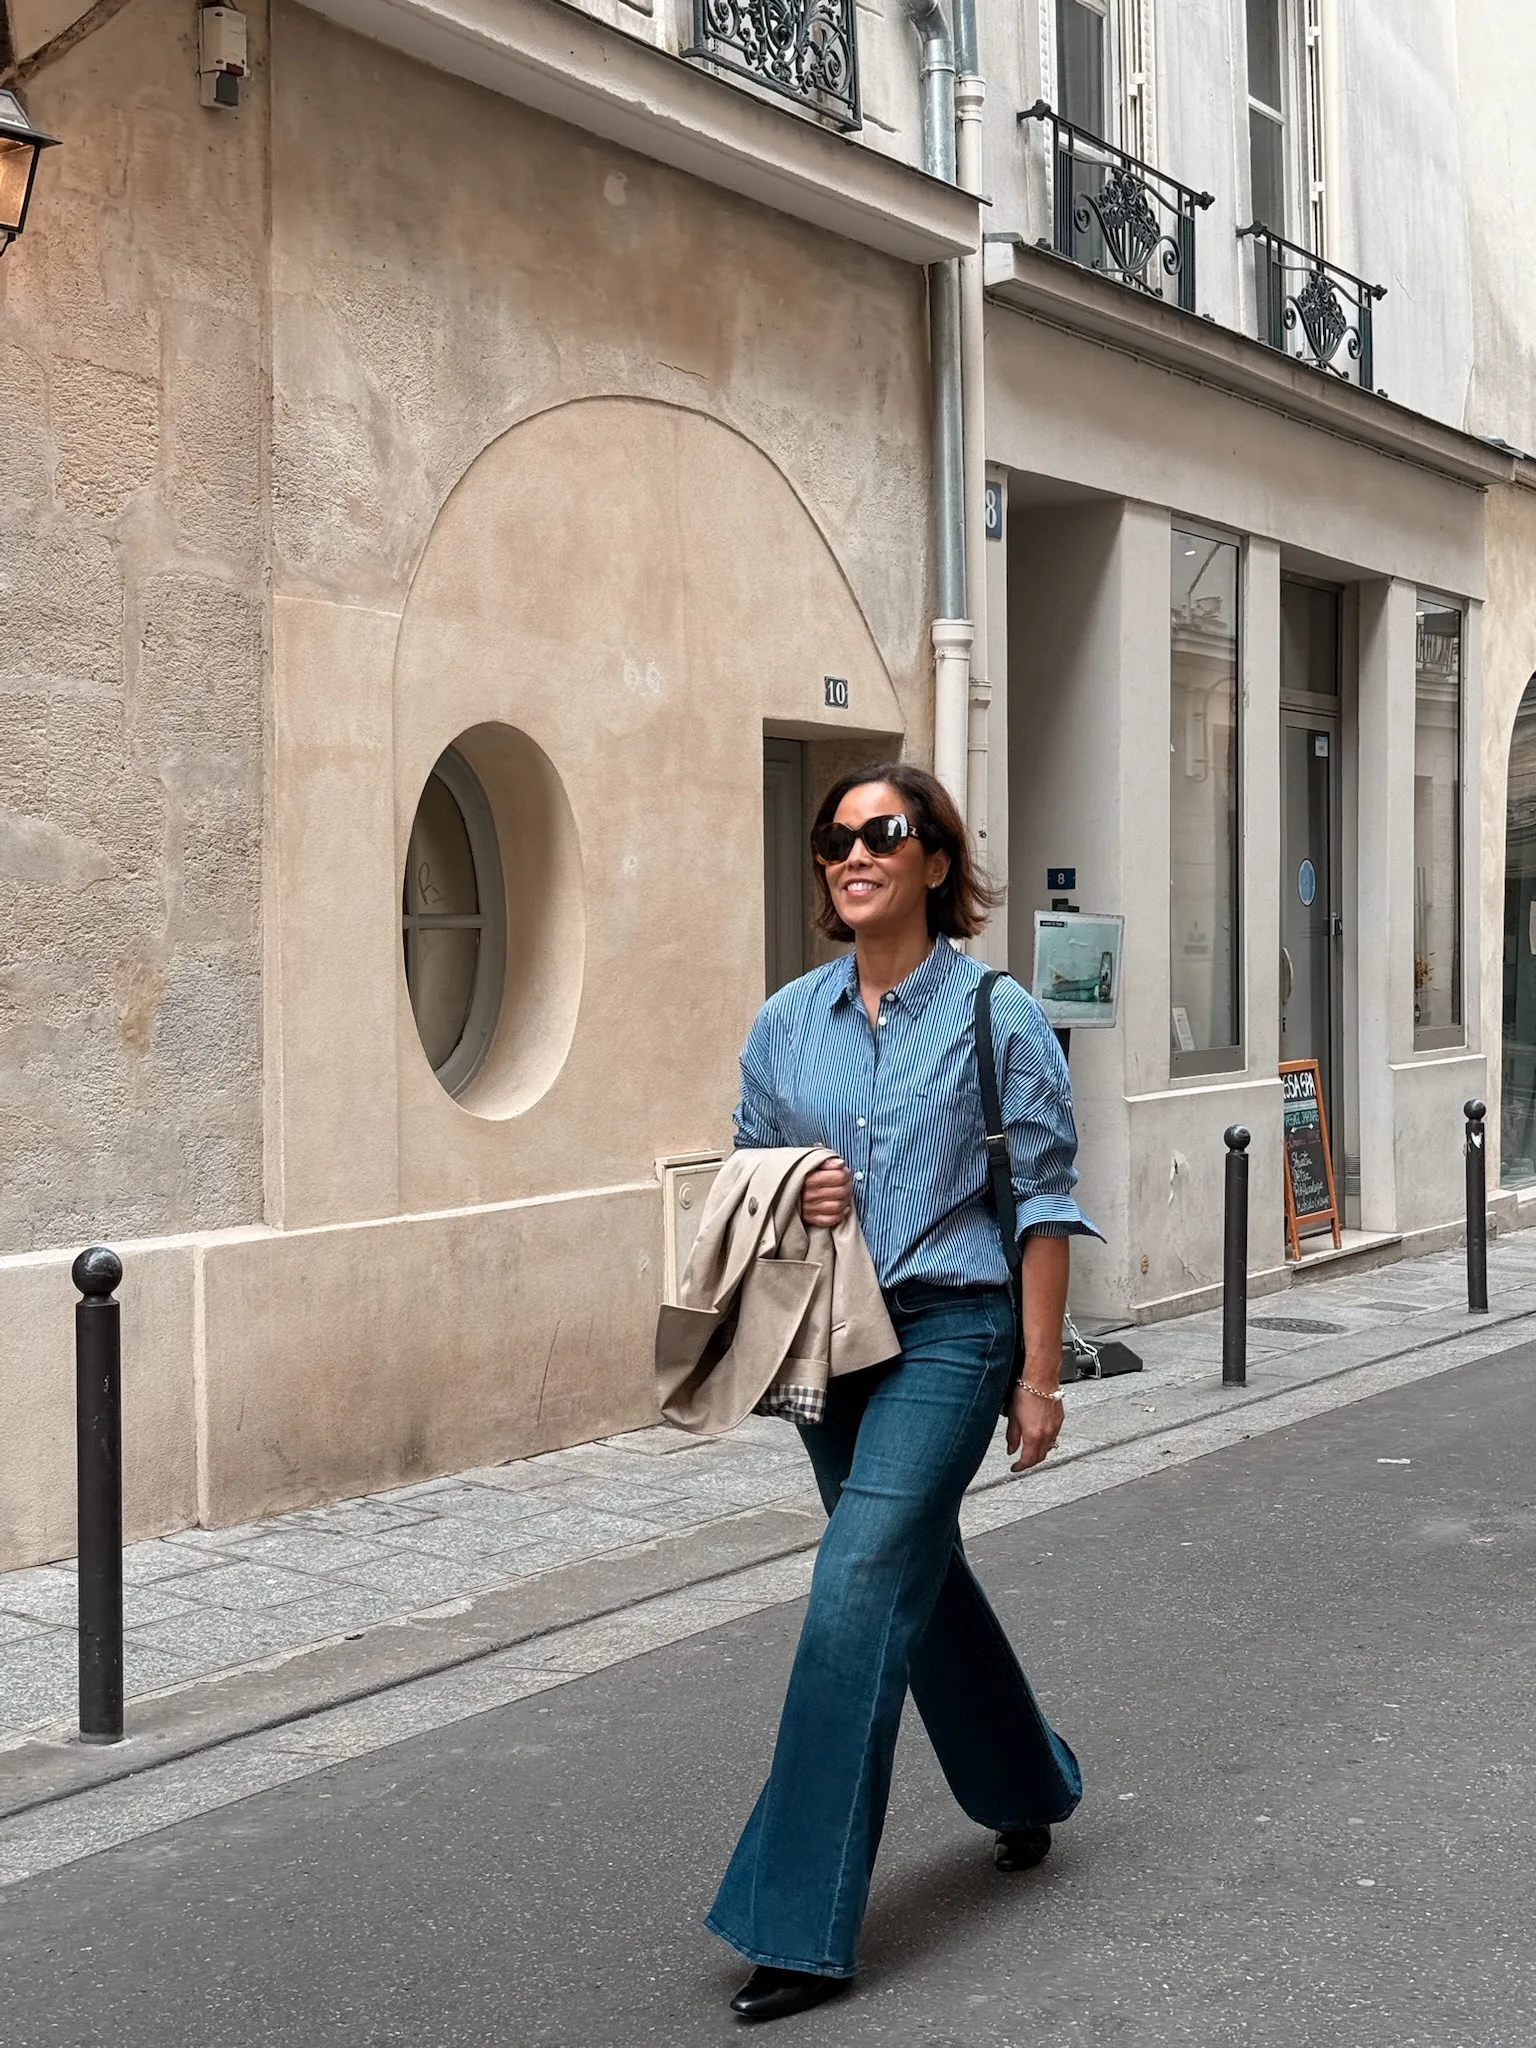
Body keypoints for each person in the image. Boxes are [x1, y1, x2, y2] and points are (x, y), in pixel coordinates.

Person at [707, 762, 1098, 2024]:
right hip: (832, 1335)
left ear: (935, 859)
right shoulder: (787, 1022)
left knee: (858, 1582)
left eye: (883, 832)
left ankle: (795, 1919)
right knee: (915, 1576)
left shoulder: (997, 1013)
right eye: (835, 839)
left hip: (954, 1330)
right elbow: (744, 1168)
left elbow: (1042, 1204)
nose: (855, 854)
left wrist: (1038, 1375)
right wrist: (794, 1180)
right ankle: (1027, 1783)